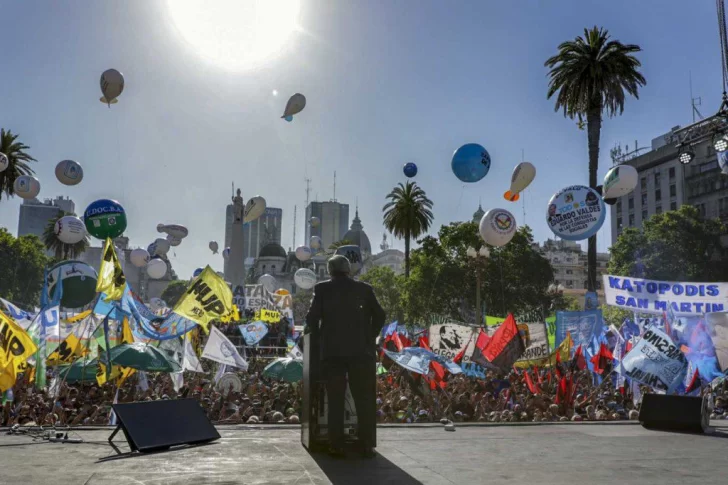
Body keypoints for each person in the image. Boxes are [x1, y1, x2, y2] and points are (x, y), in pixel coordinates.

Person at [305, 255, 385, 458]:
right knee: (364, 399)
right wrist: (369, 337)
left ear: (330, 270)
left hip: (333, 354)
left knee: (335, 400)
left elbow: (311, 318)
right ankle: (366, 445)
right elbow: (380, 315)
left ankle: (336, 445)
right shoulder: (364, 289)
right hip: (360, 353)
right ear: (348, 269)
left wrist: (318, 339)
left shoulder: (322, 289)